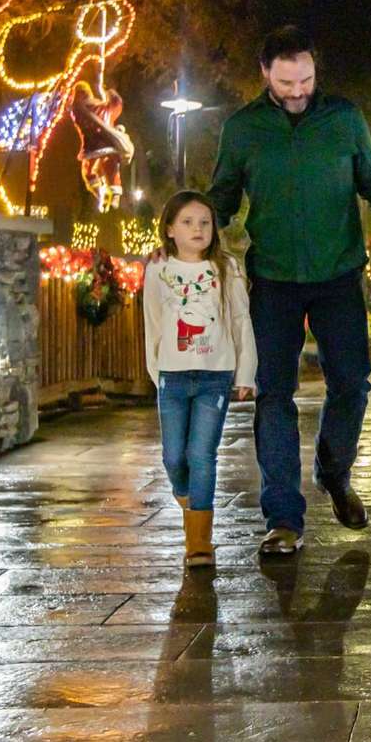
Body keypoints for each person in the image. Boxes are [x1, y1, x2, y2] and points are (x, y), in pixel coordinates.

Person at [205, 25, 371, 556]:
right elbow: (220, 196)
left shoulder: (344, 119)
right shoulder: (243, 129)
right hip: (272, 280)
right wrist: (189, 239)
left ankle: (334, 473)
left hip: (339, 275)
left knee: (353, 384)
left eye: (306, 79)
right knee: (273, 395)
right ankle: (284, 518)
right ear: (265, 73)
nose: (297, 91)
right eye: (287, 81)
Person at [142, 191, 257, 569]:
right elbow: (154, 324)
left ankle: (199, 544)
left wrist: (245, 374)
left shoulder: (226, 268)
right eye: (188, 222)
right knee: (174, 456)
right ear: (170, 229)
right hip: (172, 378)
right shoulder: (158, 270)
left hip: (215, 376)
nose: (198, 229)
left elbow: (240, 321)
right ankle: (184, 493)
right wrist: (155, 372)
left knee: (201, 455)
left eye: (205, 222)